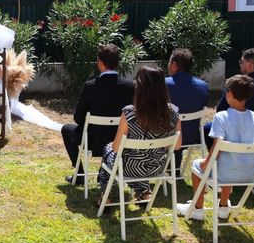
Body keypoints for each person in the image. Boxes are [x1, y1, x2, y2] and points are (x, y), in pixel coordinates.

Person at [177, 75, 254, 220]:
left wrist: (206, 163)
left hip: (224, 174)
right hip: (251, 174)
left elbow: (217, 147)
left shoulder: (221, 117)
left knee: (199, 165)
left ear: (229, 94)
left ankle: (198, 210)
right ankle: (224, 206)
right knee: (228, 161)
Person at [97, 66, 182, 206]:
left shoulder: (130, 113)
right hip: (157, 167)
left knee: (109, 149)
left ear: (140, 86)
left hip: (129, 168)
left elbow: (117, 147)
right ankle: (145, 192)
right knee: (140, 159)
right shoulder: (173, 112)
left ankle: (106, 198)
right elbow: (177, 145)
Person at [61, 44, 134, 185]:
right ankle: (104, 172)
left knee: (66, 129)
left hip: (93, 139)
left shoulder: (90, 86)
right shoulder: (130, 86)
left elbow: (78, 117)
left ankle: (80, 173)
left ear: (100, 63)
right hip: (120, 139)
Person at [206, 48, 254, 147]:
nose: (240, 64)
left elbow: (220, 110)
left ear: (249, 65)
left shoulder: (237, 85)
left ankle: (220, 158)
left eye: (241, 62)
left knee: (207, 128)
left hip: (235, 135)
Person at [165, 48, 209, 173]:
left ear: (174, 64)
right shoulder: (203, 86)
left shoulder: (164, 84)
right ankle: (174, 168)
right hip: (193, 135)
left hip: (168, 136)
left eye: (169, 62)